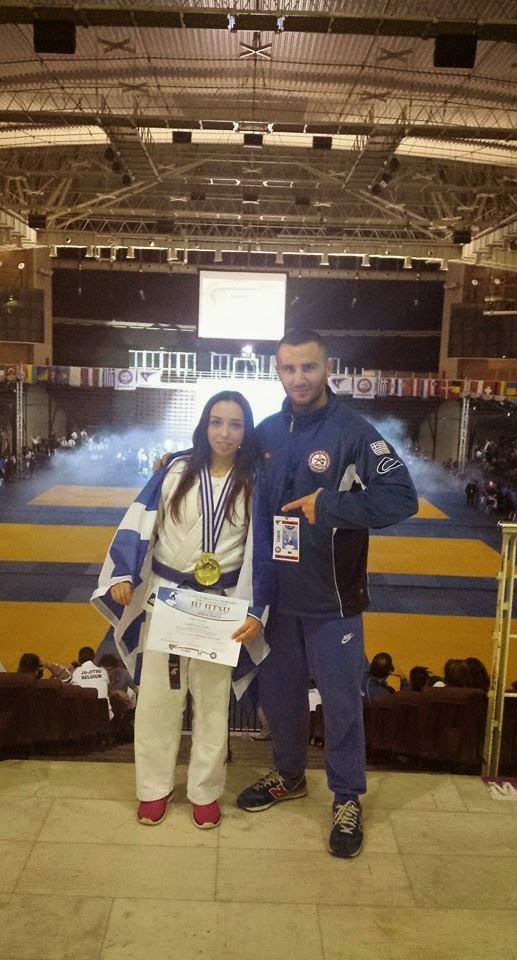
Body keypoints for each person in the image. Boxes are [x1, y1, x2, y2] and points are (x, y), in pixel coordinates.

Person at [236, 328, 418, 859]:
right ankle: (290, 776)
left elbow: (402, 498)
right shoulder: (266, 433)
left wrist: (332, 507)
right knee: (280, 701)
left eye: (308, 367)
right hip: (275, 599)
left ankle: (346, 797)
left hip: (333, 601)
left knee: (340, 706)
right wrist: (176, 463)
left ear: (328, 368)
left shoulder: (354, 432)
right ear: (277, 371)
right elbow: (223, 467)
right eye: (289, 368)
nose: (298, 378)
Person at [91, 391, 264, 830]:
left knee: (212, 704)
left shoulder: (256, 479)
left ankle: (205, 792)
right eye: (217, 422)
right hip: (168, 598)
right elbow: (141, 520)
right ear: (204, 425)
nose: (224, 433)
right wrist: (124, 573)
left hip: (221, 605)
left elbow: (261, 550)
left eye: (235, 424)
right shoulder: (175, 470)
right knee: (158, 699)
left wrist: (256, 607)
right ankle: (154, 789)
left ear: (246, 431)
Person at [71, 646, 113, 717]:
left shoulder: (76, 673)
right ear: (94, 657)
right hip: (105, 713)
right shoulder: (103, 671)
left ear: (79, 659)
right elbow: (108, 690)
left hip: (84, 714)